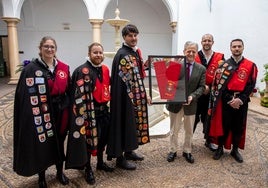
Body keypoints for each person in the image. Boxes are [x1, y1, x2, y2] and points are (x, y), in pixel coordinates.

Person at [13, 36, 71, 188]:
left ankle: (60, 172)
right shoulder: (31, 69)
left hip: (61, 111)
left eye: (52, 47)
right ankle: (41, 177)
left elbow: (70, 90)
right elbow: (23, 95)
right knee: (42, 143)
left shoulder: (64, 68)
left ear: (55, 49)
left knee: (59, 141)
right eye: (46, 46)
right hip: (42, 112)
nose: (49, 49)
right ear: (40, 49)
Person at [65, 42, 114, 185]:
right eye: (95, 52)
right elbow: (75, 95)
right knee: (88, 140)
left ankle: (100, 162)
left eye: (100, 52)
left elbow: (107, 86)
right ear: (89, 53)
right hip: (89, 114)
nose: (98, 55)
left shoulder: (105, 69)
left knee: (103, 139)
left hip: (104, 111)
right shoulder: (81, 71)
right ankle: (87, 168)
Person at [106, 24, 151, 170]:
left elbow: (135, 73)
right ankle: (120, 158)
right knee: (123, 123)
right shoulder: (123, 54)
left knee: (131, 124)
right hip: (124, 98)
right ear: (124, 37)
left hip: (133, 96)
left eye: (135, 35)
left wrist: (146, 65)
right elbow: (123, 79)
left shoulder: (133, 52)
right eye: (130, 35)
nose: (133, 38)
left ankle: (129, 151)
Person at [208, 39, 258, 163]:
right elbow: (219, 86)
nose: (236, 48)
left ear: (243, 48)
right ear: (230, 48)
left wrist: (240, 99)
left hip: (242, 102)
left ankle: (235, 150)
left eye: (239, 46)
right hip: (226, 101)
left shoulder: (250, 65)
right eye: (234, 46)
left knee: (238, 127)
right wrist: (231, 99)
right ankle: (220, 148)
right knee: (224, 125)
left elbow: (251, 85)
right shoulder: (223, 65)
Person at [166, 41, 206, 164]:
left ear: (196, 53)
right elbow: (168, 83)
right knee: (174, 130)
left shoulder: (201, 69)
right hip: (176, 104)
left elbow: (202, 87)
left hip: (191, 104)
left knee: (189, 130)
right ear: (184, 52)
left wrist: (192, 96)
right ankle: (172, 150)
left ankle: (187, 151)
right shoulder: (175, 66)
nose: (191, 53)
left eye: (193, 51)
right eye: (188, 51)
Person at [194, 34, 225, 151]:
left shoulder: (220, 57)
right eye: (204, 40)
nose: (207, 42)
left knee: (209, 118)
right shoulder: (195, 55)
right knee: (193, 117)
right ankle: (188, 141)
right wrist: (202, 86)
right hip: (197, 92)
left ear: (213, 42)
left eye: (209, 40)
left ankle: (209, 140)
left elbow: (222, 75)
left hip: (212, 94)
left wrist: (211, 87)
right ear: (201, 42)